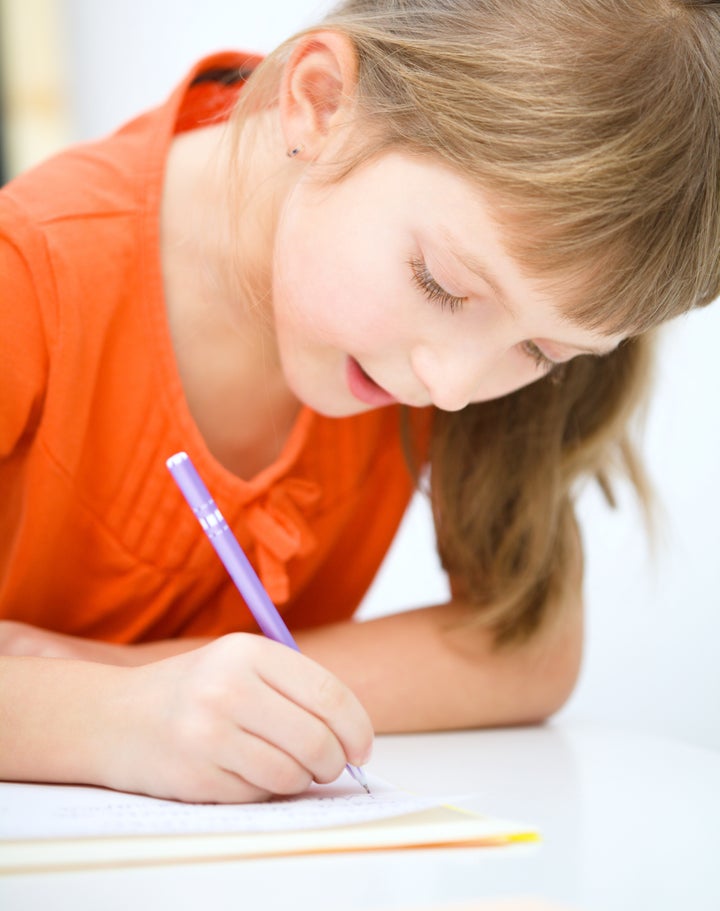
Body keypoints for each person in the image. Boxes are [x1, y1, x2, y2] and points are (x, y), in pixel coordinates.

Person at [0, 0, 718, 804]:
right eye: (439, 284)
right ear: (321, 104)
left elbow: (526, 643)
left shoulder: (484, 312)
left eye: (544, 353)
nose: (451, 389)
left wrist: (145, 678)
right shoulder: (29, 273)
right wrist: (105, 716)